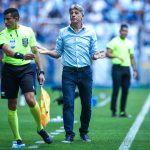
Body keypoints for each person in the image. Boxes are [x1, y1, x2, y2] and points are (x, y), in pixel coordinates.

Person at [37, 4, 104, 143]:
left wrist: (95, 56)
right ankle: (69, 134)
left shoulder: (90, 32)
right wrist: (47, 51)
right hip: (68, 73)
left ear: (82, 16)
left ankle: (84, 132)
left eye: (76, 13)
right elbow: (57, 53)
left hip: (86, 72)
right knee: (68, 103)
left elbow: (94, 53)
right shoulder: (63, 32)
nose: (73, 15)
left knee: (86, 105)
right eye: (71, 13)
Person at [0, 8, 53, 148]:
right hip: (9, 70)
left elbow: (35, 52)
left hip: (26, 69)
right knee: (12, 104)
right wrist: (22, 55)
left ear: (16, 18)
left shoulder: (28, 31)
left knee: (30, 99)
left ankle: (40, 128)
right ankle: (18, 138)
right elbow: (8, 51)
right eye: (4, 19)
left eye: (8, 19)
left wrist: (41, 71)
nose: (5, 21)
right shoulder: (2, 34)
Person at [106, 24, 137, 118]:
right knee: (116, 90)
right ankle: (113, 111)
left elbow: (132, 57)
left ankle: (122, 111)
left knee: (125, 91)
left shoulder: (129, 43)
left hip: (126, 69)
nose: (125, 32)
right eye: (123, 30)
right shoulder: (114, 41)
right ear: (120, 31)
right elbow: (107, 54)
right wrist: (117, 56)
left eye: (126, 31)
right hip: (117, 68)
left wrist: (134, 69)